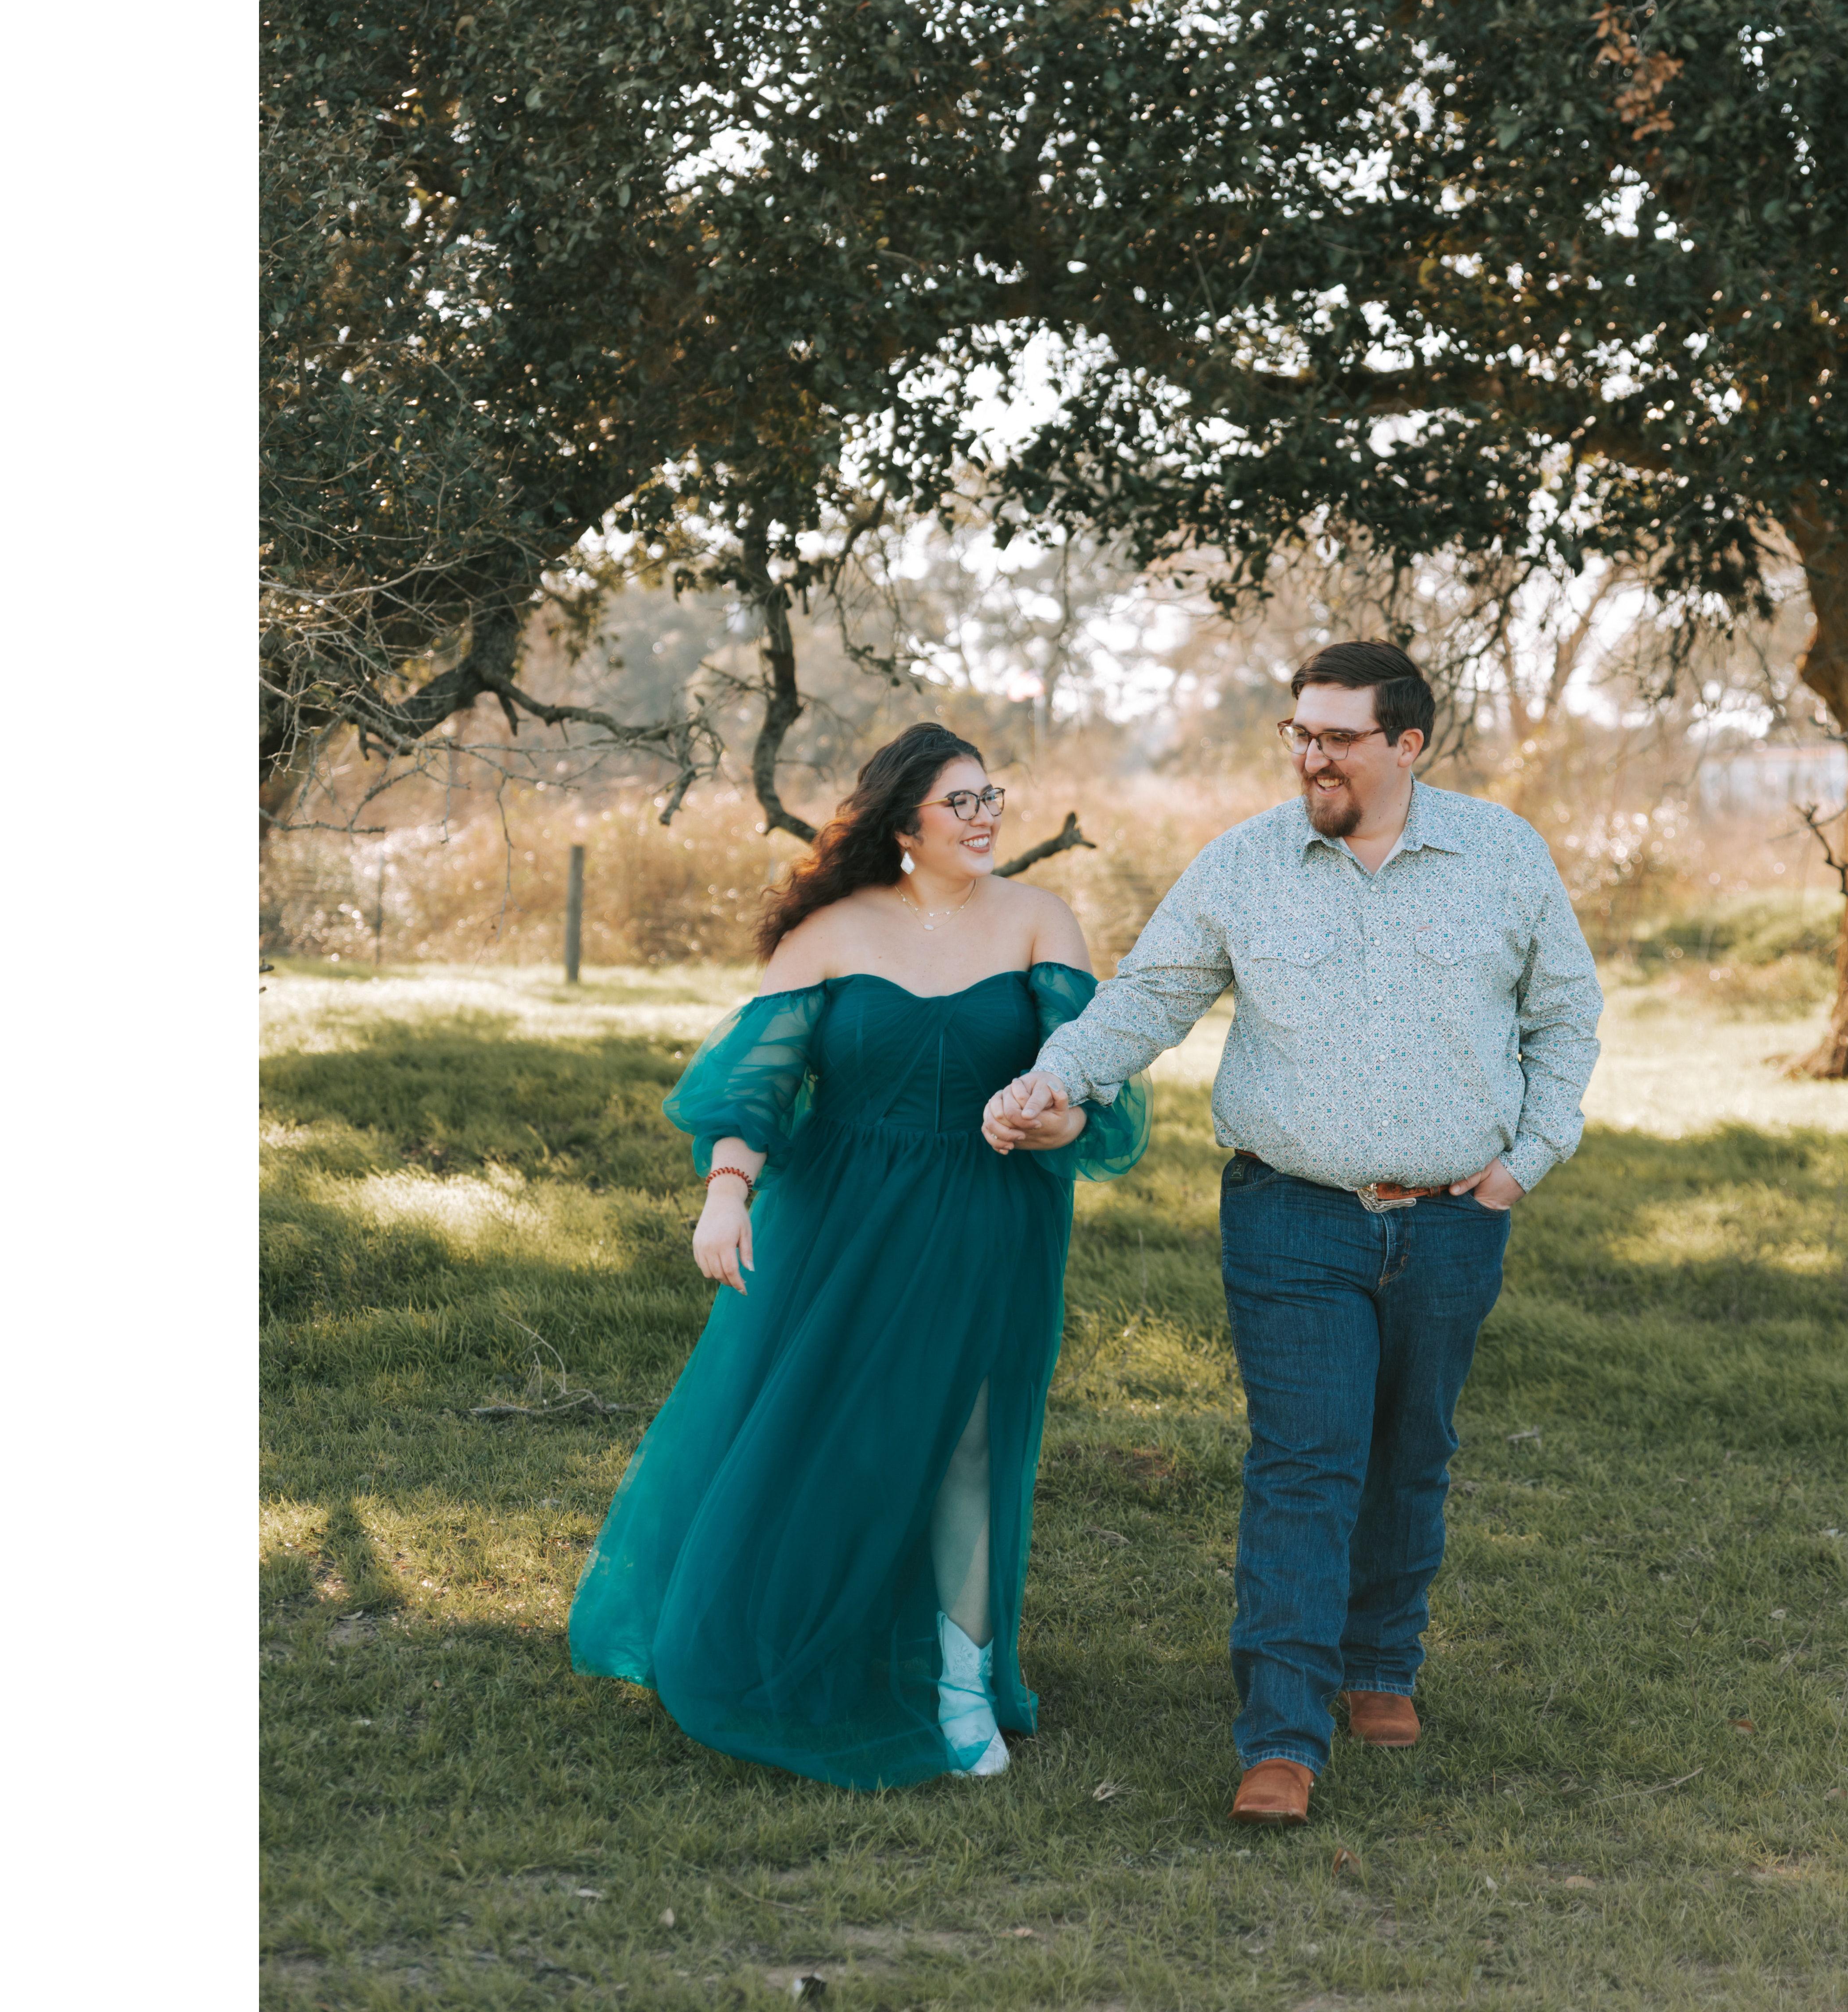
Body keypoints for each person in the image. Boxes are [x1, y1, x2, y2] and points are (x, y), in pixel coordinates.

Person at [983, 642, 1602, 1826]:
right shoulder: (1246, 863)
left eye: (1338, 738)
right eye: (1300, 734)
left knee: (1412, 1452)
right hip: (1291, 1216)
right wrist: (1060, 1077)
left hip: (1453, 1222)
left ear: (1406, 744)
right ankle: (1281, 1732)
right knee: (1306, 1463)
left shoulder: (1502, 855)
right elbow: (1150, 996)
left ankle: (1381, 1662)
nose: (1312, 757)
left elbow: (1565, 1017)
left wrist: (1524, 1163)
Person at [568, 723, 1148, 1788]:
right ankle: (800, 1633)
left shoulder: (1040, 920)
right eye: (960, 802)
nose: (985, 817)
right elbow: (757, 1086)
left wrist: (1050, 1122)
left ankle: (963, 1683)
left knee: (970, 1440)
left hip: (989, 1213)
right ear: (902, 825)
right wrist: (727, 1194)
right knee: (831, 1427)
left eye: (991, 797)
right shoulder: (831, 932)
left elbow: (1090, 1088)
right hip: (839, 1216)